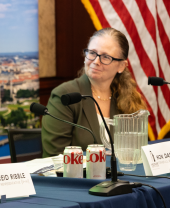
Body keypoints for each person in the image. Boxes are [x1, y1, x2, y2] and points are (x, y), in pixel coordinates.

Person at [42, 27, 147, 157]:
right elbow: (54, 158)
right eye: (92, 53)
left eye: (105, 57)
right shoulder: (65, 95)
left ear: (121, 66)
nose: (96, 61)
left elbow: (138, 150)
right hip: (77, 176)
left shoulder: (128, 99)